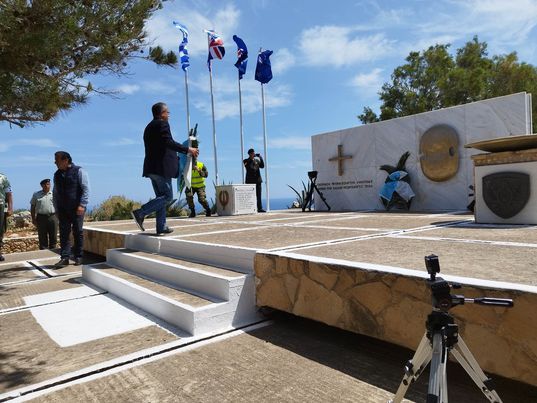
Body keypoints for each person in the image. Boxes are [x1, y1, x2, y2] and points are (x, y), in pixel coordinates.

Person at [132, 102, 198, 234]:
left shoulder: (148, 127)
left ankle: (161, 226)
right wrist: (188, 149)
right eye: (167, 112)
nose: (168, 115)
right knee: (167, 197)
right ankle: (140, 213)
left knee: (160, 198)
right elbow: (168, 142)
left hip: (151, 168)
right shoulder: (162, 124)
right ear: (162, 114)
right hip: (161, 168)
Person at [52, 151, 90, 267]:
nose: (55, 163)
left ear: (66, 160)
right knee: (64, 233)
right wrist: (56, 209)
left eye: (57, 160)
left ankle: (79, 256)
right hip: (62, 209)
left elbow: (86, 189)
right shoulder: (56, 174)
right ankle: (65, 258)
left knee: (77, 231)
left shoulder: (79, 171)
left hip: (77, 208)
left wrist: (82, 205)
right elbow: (55, 193)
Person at [30, 178, 58, 250]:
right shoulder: (36, 194)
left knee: (53, 237)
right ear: (42, 186)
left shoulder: (54, 194)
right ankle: (43, 252)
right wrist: (33, 219)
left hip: (53, 217)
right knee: (42, 237)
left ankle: (53, 251)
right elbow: (32, 207)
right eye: (45, 185)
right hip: (41, 218)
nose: (47, 186)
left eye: (48, 184)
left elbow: (59, 205)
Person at [243, 148, 265, 212]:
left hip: (258, 180)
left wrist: (260, 157)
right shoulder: (245, 161)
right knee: (250, 196)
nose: (254, 154)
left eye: (254, 153)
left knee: (259, 195)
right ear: (249, 154)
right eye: (252, 153)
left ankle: (260, 208)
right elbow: (248, 167)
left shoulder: (257, 160)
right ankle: (250, 208)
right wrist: (252, 159)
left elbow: (262, 166)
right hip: (250, 181)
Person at [0, 172, 13, 261]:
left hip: (0, 206)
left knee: (0, 230)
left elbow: (9, 193)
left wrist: (10, 208)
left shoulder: (3, 178)